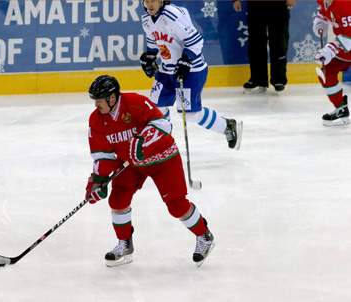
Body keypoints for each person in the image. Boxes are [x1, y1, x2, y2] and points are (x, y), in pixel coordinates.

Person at [85, 75, 215, 267]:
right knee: (117, 200)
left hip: (163, 158)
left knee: (177, 206)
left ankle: (205, 237)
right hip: (131, 164)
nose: (96, 105)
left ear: (112, 98)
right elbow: (102, 155)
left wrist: (143, 142)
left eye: (99, 100)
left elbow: (163, 125)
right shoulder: (97, 120)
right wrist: (98, 181)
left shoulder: (137, 103)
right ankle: (125, 245)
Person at [139, 0, 242, 150]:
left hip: (192, 71)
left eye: (153, 0)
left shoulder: (171, 15)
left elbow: (196, 41)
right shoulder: (147, 20)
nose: (149, 4)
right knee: (155, 108)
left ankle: (226, 126)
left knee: (190, 114)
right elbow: (153, 43)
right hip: (167, 70)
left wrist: (186, 61)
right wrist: (149, 58)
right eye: (146, 1)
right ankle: (162, 141)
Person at [233, 0, 296, 93]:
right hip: (255, 4)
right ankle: (257, 79)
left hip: (278, 4)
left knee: (279, 42)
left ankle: (279, 80)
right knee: (256, 42)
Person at [313, 0, 351, 126]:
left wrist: (331, 49)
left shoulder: (345, 4)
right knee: (326, 71)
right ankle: (341, 108)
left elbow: (349, 34)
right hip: (346, 42)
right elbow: (325, 10)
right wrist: (321, 20)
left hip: (348, 39)